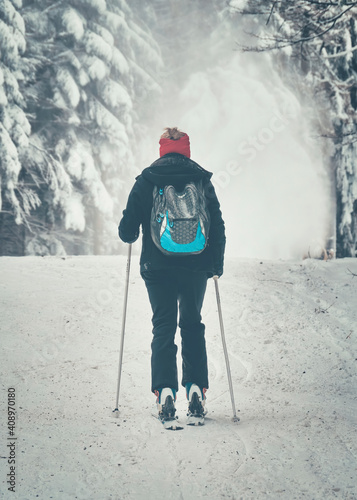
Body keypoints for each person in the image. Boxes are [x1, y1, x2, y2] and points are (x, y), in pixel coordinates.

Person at [118, 127, 225, 427]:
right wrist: (215, 264)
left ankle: (165, 392)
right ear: (187, 150)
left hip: (157, 267)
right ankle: (195, 389)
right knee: (192, 323)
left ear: (162, 149)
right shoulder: (201, 180)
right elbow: (216, 223)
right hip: (195, 266)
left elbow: (127, 228)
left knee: (163, 326)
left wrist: (131, 232)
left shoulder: (147, 179)